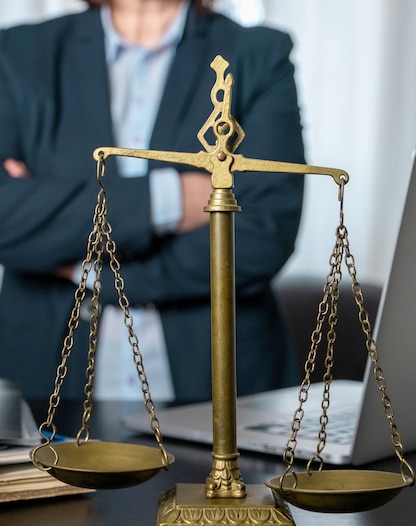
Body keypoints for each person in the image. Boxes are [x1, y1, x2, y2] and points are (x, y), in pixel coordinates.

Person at [0, 0, 305, 405]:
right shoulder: (19, 52)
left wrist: (92, 272)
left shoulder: (257, 54)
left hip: (219, 387)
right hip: (41, 384)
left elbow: (263, 233)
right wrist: (172, 198)